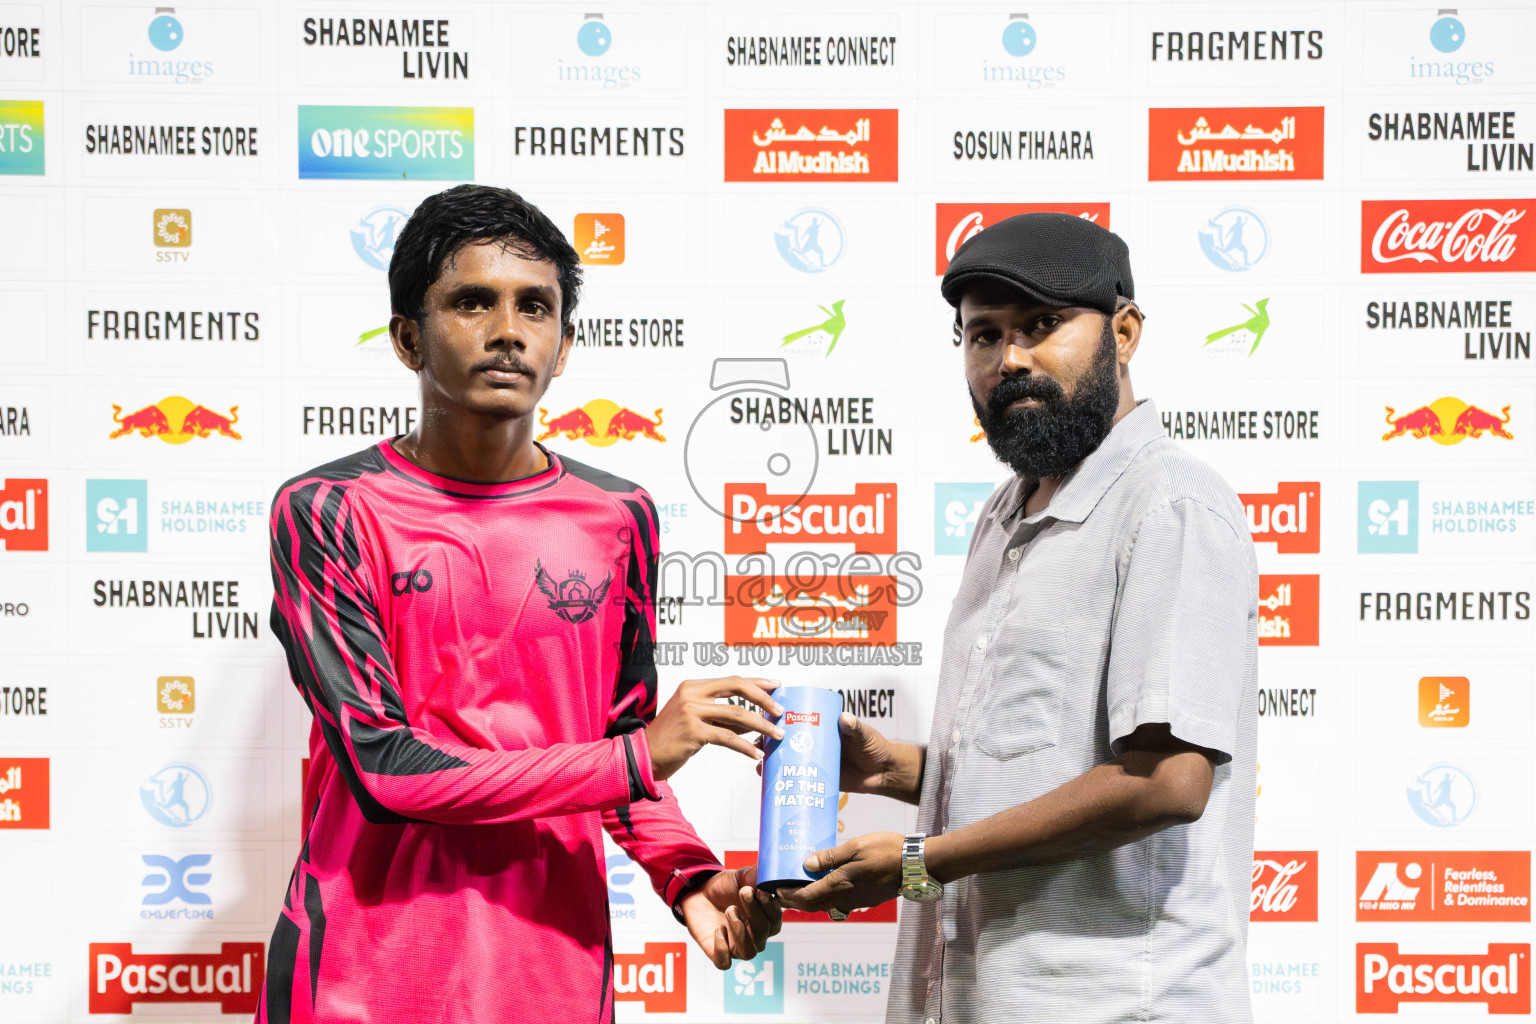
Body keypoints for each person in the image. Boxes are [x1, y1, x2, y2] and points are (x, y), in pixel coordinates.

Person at [258, 184, 782, 1023]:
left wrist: (685, 872)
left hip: (552, 969)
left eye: (535, 306)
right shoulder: (327, 510)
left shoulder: (620, 518)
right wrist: (637, 757)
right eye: (472, 301)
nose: (507, 330)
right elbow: (385, 769)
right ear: (406, 338)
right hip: (363, 971)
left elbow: (614, 740)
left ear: (564, 346)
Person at [778, 213, 1259, 1023]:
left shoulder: (1171, 504)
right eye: (984, 335)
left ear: (1126, 332)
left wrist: (919, 862)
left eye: (1042, 326)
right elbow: (1050, 767)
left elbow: (1168, 780)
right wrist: (898, 771)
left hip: (1116, 1005)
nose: (1012, 361)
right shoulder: (1006, 512)